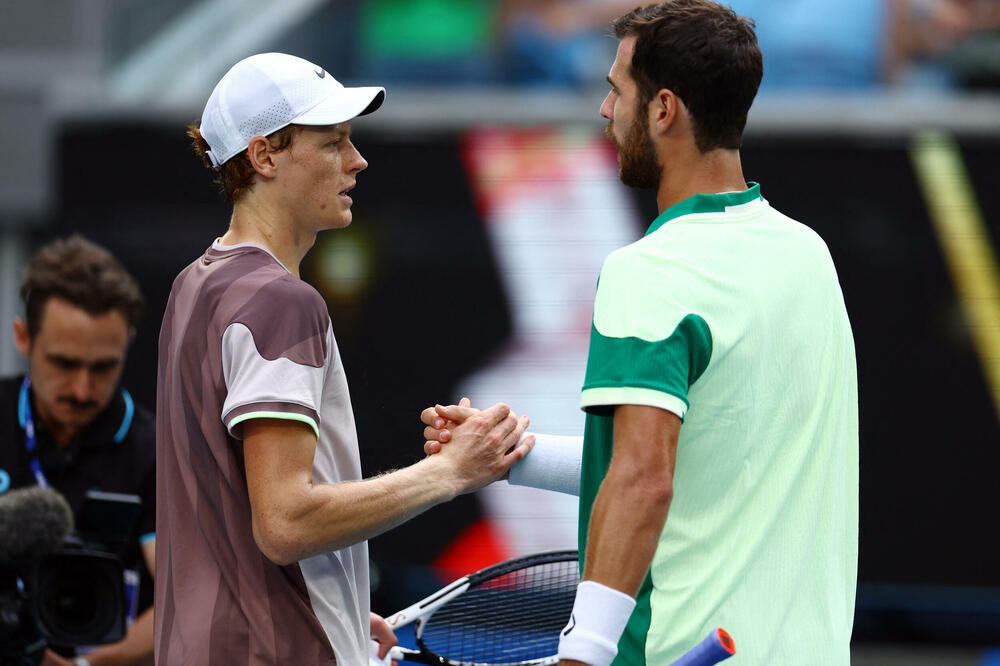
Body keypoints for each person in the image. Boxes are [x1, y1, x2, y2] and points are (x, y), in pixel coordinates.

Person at [423, 2, 859, 664]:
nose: (605, 110)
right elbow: (698, 461)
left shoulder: (648, 272)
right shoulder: (809, 257)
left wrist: (584, 650)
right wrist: (514, 455)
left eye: (615, 89)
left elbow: (642, 478)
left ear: (662, 110)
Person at [155, 52, 533, 665]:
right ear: (265, 156)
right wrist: (450, 473)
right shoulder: (280, 301)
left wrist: (339, 603)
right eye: (333, 143)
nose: (357, 161)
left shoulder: (195, 285)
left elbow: (233, 514)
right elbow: (284, 522)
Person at [0, 235, 155, 666]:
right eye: (64, 364)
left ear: (127, 343)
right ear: (23, 337)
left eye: (103, 367)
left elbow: (184, 595)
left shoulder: (154, 451)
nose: (83, 389)